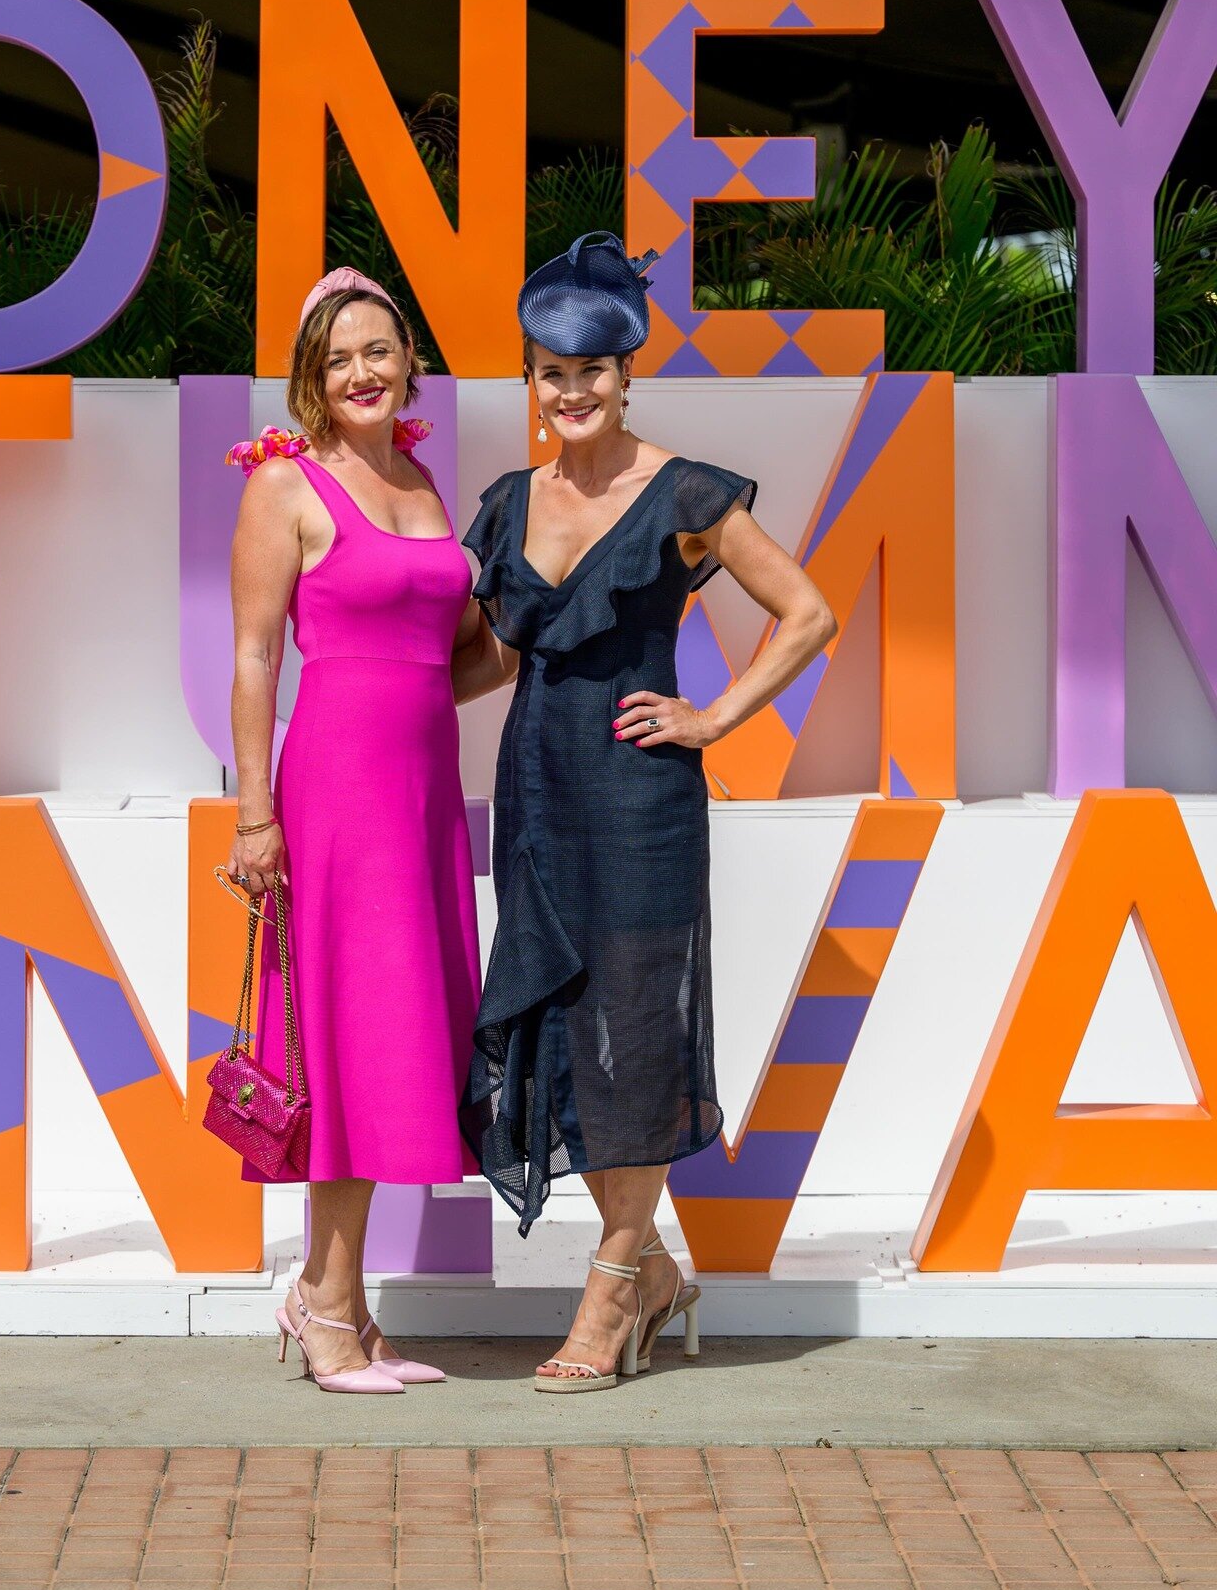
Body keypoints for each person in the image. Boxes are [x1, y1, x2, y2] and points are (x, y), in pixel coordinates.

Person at [454, 232, 836, 1393]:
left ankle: (611, 1285)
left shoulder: (683, 491)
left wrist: (713, 716)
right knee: (565, 1019)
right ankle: (654, 1269)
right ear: (529, 380)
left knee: (633, 1032)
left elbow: (808, 612)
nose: (570, 392)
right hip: (533, 790)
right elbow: (482, 661)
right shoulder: (507, 501)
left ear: (627, 376)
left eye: (592, 372)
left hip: (636, 801)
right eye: (548, 372)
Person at [228, 267, 484, 1395]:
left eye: (377, 350)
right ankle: (320, 1302)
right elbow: (252, 657)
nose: (361, 372)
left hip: (423, 793)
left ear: (407, 361)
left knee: (391, 1045)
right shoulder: (284, 485)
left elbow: (463, 651)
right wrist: (253, 813)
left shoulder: (425, 483)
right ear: (312, 380)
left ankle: (352, 1305)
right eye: (338, 359)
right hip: (334, 794)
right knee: (342, 1037)